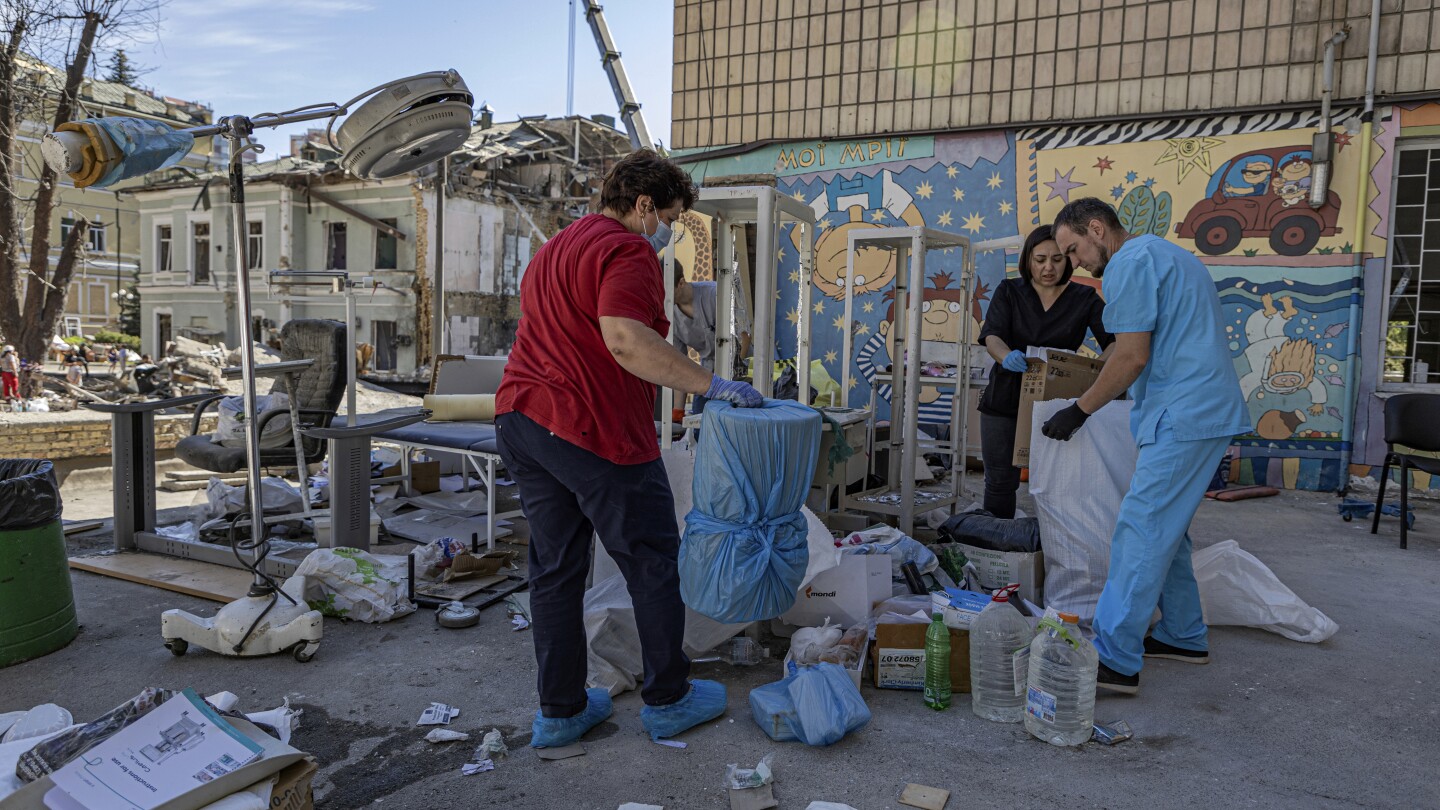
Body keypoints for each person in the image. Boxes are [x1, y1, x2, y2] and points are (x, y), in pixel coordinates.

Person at [494, 149, 763, 749]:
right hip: (592, 427)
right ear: (644, 206)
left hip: (523, 419)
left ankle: (560, 712)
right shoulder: (628, 248)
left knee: (556, 570)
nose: (665, 230)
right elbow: (623, 338)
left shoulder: (556, 248)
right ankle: (670, 698)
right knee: (651, 560)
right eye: (666, 216)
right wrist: (711, 384)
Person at [1042, 198, 1248, 695]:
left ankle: (1116, 659)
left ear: (1096, 228)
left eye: (1073, 250)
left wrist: (1080, 409)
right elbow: (1141, 346)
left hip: (1184, 413)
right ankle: (1183, 634)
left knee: (1141, 528)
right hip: (1198, 408)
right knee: (1168, 532)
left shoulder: (1128, 265)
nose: (1074, 263)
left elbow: (1132, 357)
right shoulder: (1165, 254)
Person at [976, 225, 1112, 518]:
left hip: (1058, 404)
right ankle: (1000, 549)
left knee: (1059, 483)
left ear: (1069, 260)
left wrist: (1094, 374)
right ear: (1027, 260)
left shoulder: (1084, 298)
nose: (1048, 267)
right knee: (1000, 481)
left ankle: (1056, 552)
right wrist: (1005, 356)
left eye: (1057, 259)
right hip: (1005, 398)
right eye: (1040, 260)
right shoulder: (1009, 290)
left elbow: (1115, 343)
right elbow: (992, 336)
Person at [670, 259, 752, 414]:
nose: (661, 296)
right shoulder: (670, 315)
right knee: (699, 426)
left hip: (741, 370)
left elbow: (744, 336)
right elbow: (679, 364)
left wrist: (734, 377)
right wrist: (678, 411)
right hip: (709, 375)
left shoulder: (715, 294)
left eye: (665, 290)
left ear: (681, 283)